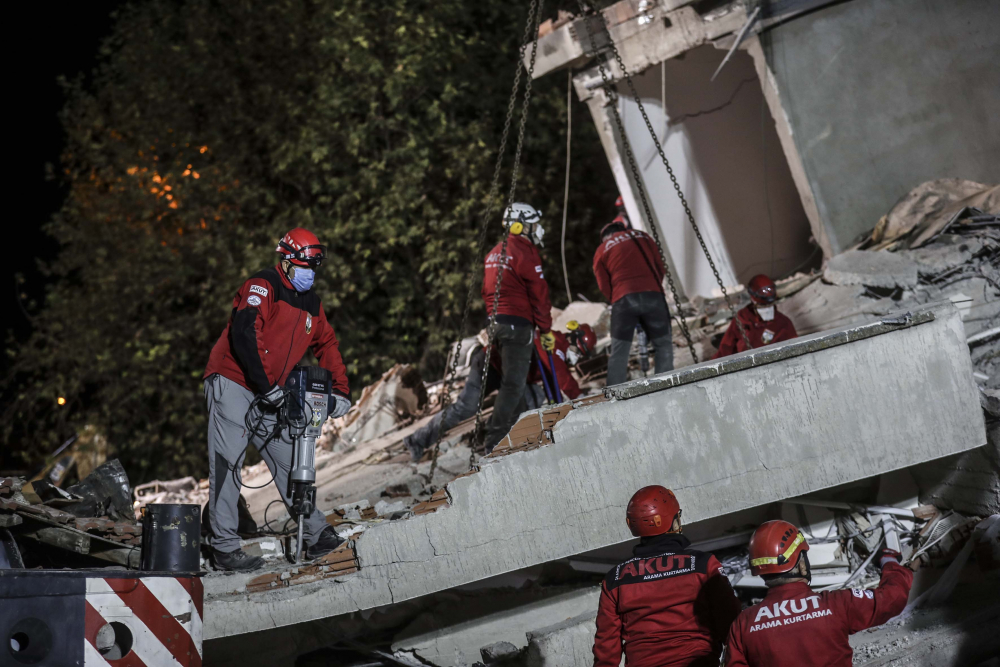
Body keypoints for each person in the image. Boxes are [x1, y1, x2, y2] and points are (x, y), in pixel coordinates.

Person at [202, 228, 353, 571]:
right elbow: (244, 331)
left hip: (271, 390)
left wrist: (340, 390)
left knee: (290, 460)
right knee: (229, 462)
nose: (310, 273)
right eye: (304, 265)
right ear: (286, 261)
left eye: (314, 267)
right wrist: (266, 385)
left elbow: (326, 343)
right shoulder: (263, 286)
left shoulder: (311, 302)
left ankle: (316, 536)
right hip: (234, 381)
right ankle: (224, 548)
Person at [725, 520, 914, 666]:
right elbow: (892, 598)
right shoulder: (836, 604)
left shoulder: (742, 626)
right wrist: (889, 562)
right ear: (799, 563)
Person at [593, 486, 742, 667]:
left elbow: (606, 648)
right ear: (672, 521)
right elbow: (732, 625)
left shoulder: (614, 579)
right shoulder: (703, 564)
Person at [404, 322, 596, 461]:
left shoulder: (558, 350)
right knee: (465, 407)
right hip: (490, 366)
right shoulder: (552, 342)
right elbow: (560, 374)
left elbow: (552, 384)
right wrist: (580, 398)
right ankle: (417, 440)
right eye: (579, 352)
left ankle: (502, 439)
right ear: (574, 340)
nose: (577, 358)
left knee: (534, 396)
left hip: (512, 377)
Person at [481, 203, 554, 453]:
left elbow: (486, 292)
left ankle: (524, 430)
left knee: (516, 381)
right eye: (532, 224)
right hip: (517, 324)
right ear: (519, 225)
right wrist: (546, 329)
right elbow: (539, 292)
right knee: (513, 384)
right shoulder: (524, 251)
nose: (536, 230)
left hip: (497, 323)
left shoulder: (493, 253)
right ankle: (494, 439)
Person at [593, 214, 674, 386]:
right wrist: (652, 287)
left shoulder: (601, 250)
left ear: (605, 237)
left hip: (623, 300)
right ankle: (664, 386)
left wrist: (615, 298)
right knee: (663, 345)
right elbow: (659, 265)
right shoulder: (643, 236)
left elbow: (603, 284)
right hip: (653, 294)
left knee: (619, 352)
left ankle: (615, 394)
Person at [713, 274, 797, 359]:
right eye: (762, 306)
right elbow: (726, 348)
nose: (767, 310)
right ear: (753, 300)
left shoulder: (783, 324)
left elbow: (796, 350)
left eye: (770, 305)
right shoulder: (742, 319)